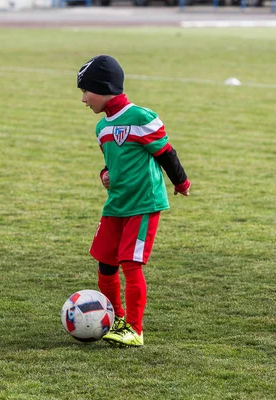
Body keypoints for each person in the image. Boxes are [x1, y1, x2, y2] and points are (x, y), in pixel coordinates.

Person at [77, 55, 191, 347]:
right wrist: (105, 173)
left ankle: (135, 329)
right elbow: (111, 161)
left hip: (143, 204)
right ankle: (116, 319)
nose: (83, 100)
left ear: (102, 88)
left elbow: (166, 152)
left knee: (130, 262)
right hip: (117, 204)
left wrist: (181, 182)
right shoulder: (101, 129)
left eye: (85, 92)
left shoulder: (142, 118)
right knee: (105, 264)